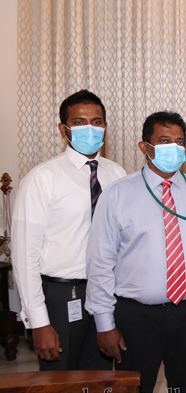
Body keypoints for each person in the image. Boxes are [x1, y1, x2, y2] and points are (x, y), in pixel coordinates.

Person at [85, 111, 186, 393]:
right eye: (164, 141)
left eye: (179, 142)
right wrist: (104, 323)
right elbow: (100, 262)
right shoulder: (118, 195)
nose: (174, 148)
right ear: (145, 146)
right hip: (136, 316)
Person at [12, 89, 126, 370]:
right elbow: (24, 257)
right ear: (64, 129)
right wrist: (39, 322)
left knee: (100, 383)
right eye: (79, 122)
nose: (90, 128)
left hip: (105, 293)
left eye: (97, 121)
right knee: (59, 389)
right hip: (62, 295)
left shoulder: (117, 174)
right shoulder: (42, 178)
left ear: (105, 127)